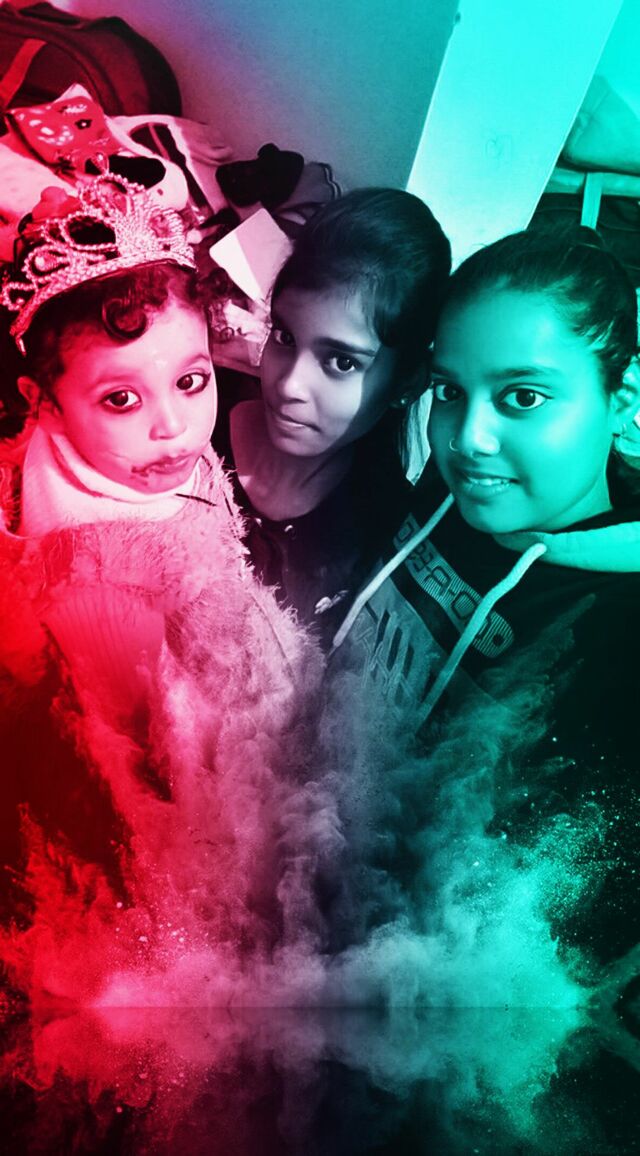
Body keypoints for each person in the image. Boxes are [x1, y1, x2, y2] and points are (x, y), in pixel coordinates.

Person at [0, 176, 320, 1001]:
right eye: (120, 399)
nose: (174, 428)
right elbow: (162, 770)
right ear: (43, 402)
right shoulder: (99, 580)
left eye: (191, 380)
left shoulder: (129, 458)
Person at [327, 226, 640, 975]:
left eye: (522, 397)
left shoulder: (618, 634)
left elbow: (574, 929)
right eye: (450, 391)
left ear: (622, 398)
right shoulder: (455, 495)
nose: (468, 438)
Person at [216, 188, 451, 647]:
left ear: (406, 382)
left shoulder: (383, 534)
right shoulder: (194, 424)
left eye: (342, 362)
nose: (290, 385)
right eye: (285, 337)